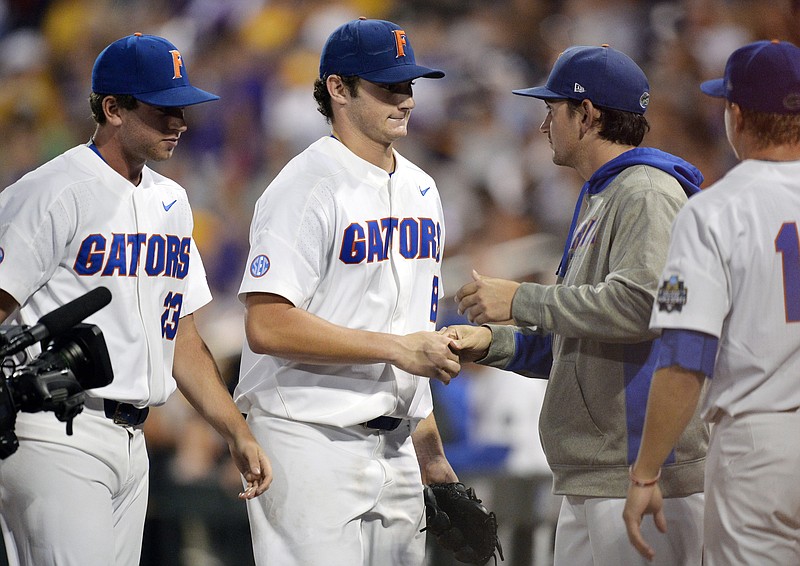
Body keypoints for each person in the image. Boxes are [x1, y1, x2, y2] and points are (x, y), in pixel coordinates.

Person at [0, 33, 272, 566]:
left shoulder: (170, 200)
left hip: (133, 441)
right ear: (113, 108)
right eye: (162, 109)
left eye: (182, 108)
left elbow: (183, 338)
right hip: (52, 430)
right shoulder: (51, 190)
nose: (179, 123)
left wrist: (235, 430)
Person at [446, 45, 709, 565]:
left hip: (639, 470)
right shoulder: (602, 195)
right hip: (593, 472)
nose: (544, 125)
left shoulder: (648, 193)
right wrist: (492, 343)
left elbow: (642, 308)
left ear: (586, 115)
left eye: (552, 110)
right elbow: (580, 332)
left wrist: (521, 299)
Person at [234, 17, 460, 566]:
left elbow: (417, 331)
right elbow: (267, 324)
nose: (405, 99)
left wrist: (430, 451)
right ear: (338, 89)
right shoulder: (303, 186)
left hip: (398, 443)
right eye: (388, 86)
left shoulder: (421, 188)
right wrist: (396, 348)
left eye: (409, 85)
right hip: (308, 438)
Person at [623, 39, 800, 565]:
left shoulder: (715, 210)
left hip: (761, 444)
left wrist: (646, 471)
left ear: (737, 115)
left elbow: (685, 359)